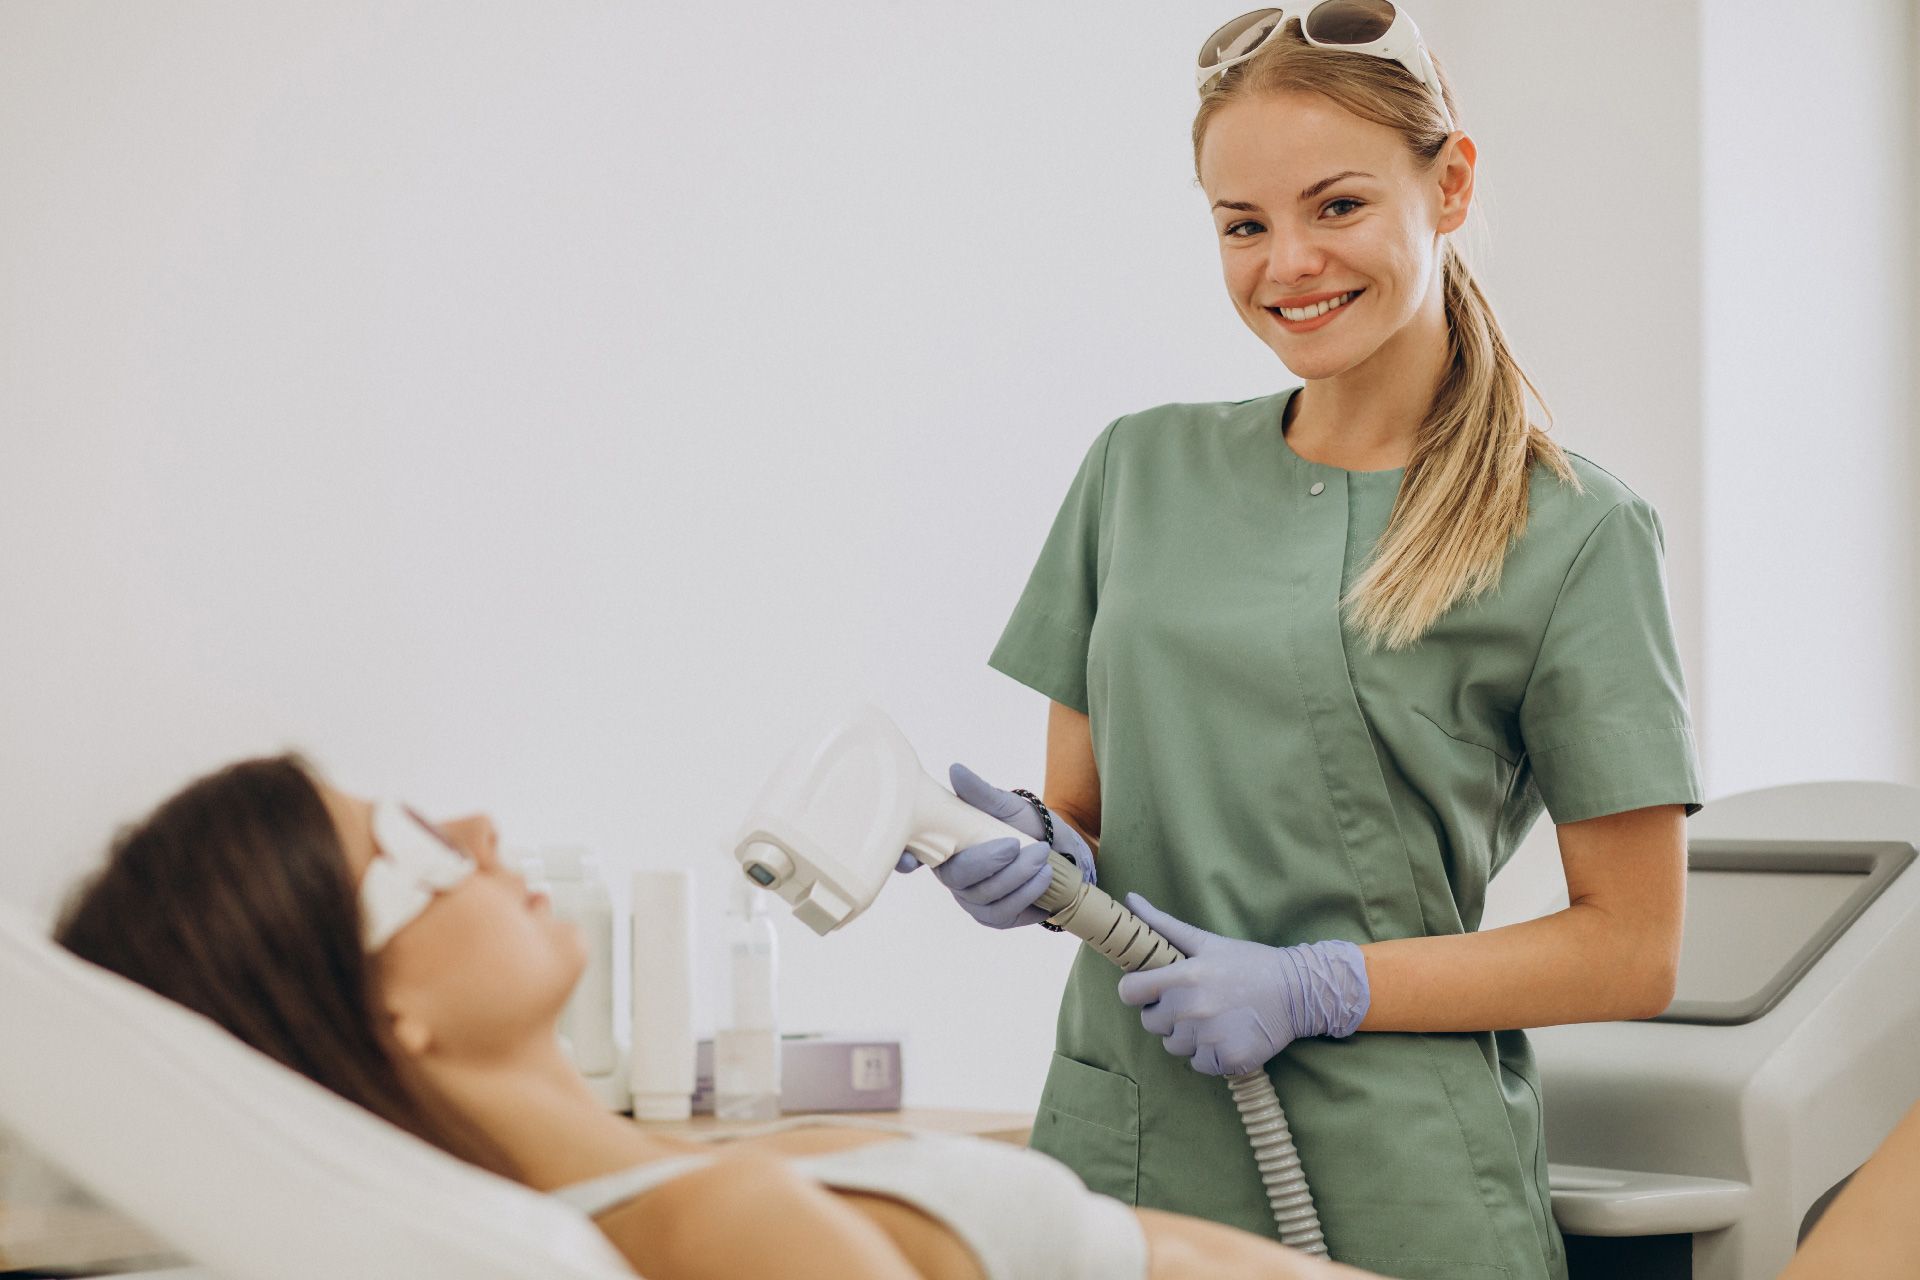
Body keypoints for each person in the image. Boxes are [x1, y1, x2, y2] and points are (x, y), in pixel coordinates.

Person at [903, 7, 1702, 1278]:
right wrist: (1041, 854)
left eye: (1337, 205)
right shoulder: (1137, 471)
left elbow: (1633, 947)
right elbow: (1094, 820)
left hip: (1402, 1180)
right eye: (1244, 224)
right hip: (1126, 1158)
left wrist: (1321, 983)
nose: (1289, 264)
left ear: (1450, 185)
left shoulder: (1574, 530)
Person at [53, 753, 1373, 1280]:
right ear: (381, 1008)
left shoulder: (694, 1180)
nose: (477, 826)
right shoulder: (716, 1227)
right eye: (408, 846)